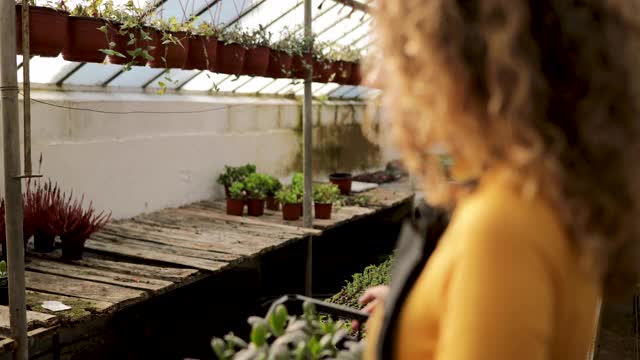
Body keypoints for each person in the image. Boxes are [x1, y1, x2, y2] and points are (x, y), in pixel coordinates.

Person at [363, 1, 640, 359]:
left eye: (409, 52)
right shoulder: (550, 188)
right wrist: (415, 309)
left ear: (459, 61)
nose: (383, 77)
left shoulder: (502, 225)